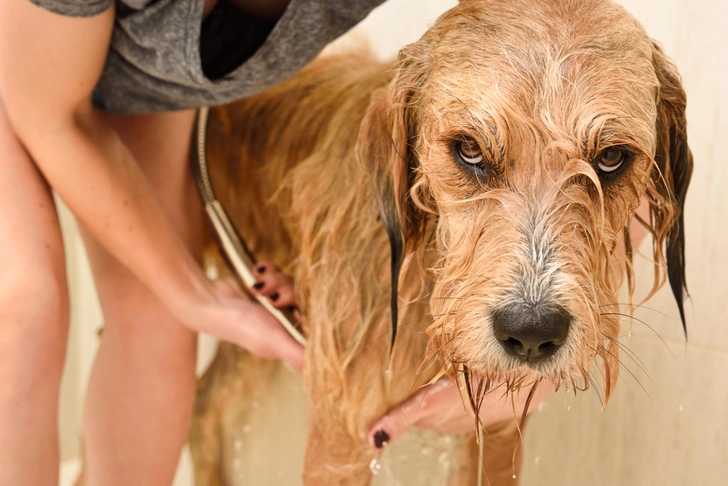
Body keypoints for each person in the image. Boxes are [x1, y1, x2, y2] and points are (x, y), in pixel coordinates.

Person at [0, 1, 553, 484]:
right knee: (25, 302)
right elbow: (48, 113)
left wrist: (542, 347)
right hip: (29, 60)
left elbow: (575, 62)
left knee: (158, 327)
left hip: (137, 71)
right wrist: (195, 293)